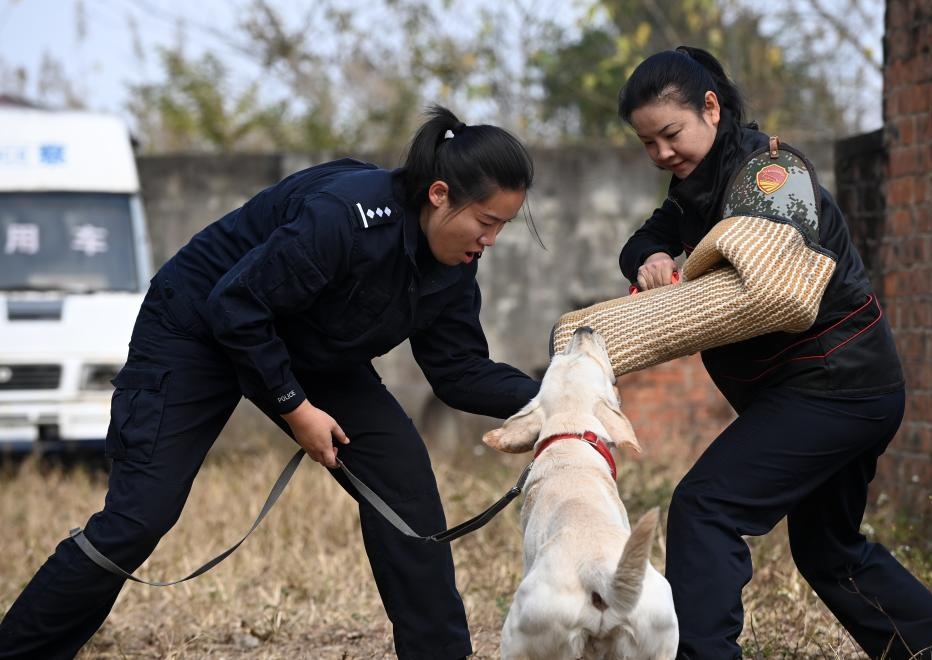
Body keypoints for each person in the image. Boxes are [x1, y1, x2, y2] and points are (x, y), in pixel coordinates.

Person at [0, 106, 539, 660]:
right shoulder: (345, 218)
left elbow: (458, 371)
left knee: (405, 486)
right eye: (486, 221)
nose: (491, 239)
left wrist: (559, 397)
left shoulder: (453, 263)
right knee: (139, 518)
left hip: (306, 347)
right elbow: (236, 304)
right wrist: (296, 408)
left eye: (502, 225)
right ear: (439, 194)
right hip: (199, 327)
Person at [616, 48, 932, 659]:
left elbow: (766, 289)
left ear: (710, 108)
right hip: (841, 388)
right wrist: (652, 258)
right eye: (647, 142)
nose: (661, 153)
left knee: (704, 505)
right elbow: (648, 235)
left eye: (670, 134)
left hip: (835, 385)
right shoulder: (696, 184)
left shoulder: (773, 176)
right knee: (830, 553)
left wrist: (653, 323)